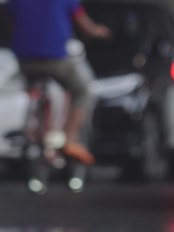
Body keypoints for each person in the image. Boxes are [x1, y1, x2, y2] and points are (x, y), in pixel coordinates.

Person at [7, 0, 111, 165]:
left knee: (27, 90)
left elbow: (7, 17)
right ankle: (70, 138)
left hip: (23, 60)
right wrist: (100, 31)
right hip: (54, 59)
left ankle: (30, 127)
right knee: (83, 90)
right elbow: (86, 26)